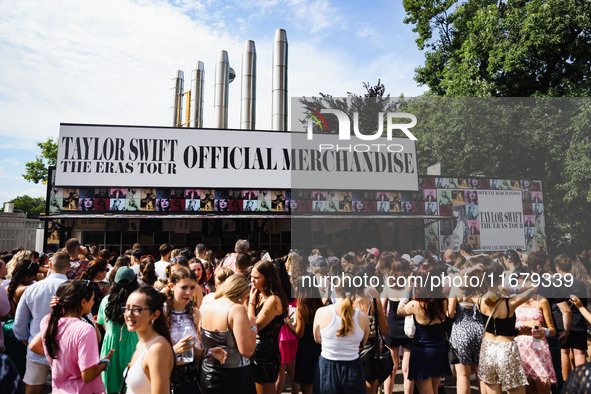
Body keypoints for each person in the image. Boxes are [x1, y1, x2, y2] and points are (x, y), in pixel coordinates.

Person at [36, 280, 112, 394]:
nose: (93, 302)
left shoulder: (47, 321)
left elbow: (35, 346)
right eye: (92, 299)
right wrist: (105, 362)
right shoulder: (85, 329)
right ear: (82, 302)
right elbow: (88, 375)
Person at [13, 252, 70, 394]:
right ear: (69, 267)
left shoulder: (32, 289)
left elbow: (19, 324)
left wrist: (28, 341)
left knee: (32, 389)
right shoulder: (75, 289)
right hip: (65, 351)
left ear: (50, 265)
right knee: (65, 389)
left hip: (36, 348)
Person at [312, 271, 370, 394]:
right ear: (355, 291)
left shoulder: (321, 312)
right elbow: (362, 345)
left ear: (336, 290)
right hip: (353, 368)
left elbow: (317, 338)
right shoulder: (363, 317)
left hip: (327, 368)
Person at [200, 274, 256, 394]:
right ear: (241, 295)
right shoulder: (236, 309)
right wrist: (253, 327)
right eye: (246, 297)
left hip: (208, 373)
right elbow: (247, 351)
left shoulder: (206, 305)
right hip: (234, 376)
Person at [398, 268, 451, 394]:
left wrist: (407, 291)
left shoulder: (415, 305)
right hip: (439, 348)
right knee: (435, 389)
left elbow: (400, 311)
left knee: (425, 391)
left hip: (422, 351)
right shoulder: (443, 301)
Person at [513, 266, 556, 394]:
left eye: (530, 278)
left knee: (543, 385)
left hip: (538, 345)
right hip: (520, 346)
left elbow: (552, 329)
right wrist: (523, 323)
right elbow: (506, 326)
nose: (528, 281)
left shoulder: (541, 300)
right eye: (523, 278)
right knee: (527, 388)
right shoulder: (513, 300)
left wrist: (545, 331)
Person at [97, 266, 140, 393]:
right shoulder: (139, 302)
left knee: (110, 385)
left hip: (110, 346)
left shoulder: (106, 300)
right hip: (133, 343)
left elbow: (102, 323)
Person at [124, 286, 175, 394]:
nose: (129, 314)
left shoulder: (157, 348)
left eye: (137, 309)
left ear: (155, 315)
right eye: (127, 308)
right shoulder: (141, 344)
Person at [248, 260, 287, 394]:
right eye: (251, 276)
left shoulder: (273, 300)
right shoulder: (260, 295)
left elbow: (255, 327)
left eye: (257, 277)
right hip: (255, 350)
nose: (252, 280)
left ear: (268, 278)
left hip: (266, 354)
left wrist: (251, 304)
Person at [284, 274, 323, 394]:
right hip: (319, 349)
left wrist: (287, 323)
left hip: (305, 351)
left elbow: (299, 334)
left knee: (307, 388)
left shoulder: (302, 307)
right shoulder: (320, 304)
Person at [382, 258, 414, 394]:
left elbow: (382, 309)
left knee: (392, 368)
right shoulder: (411, 286)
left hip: (391, 327)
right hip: (409, 328)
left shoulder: (388, 287)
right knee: (407, 369)